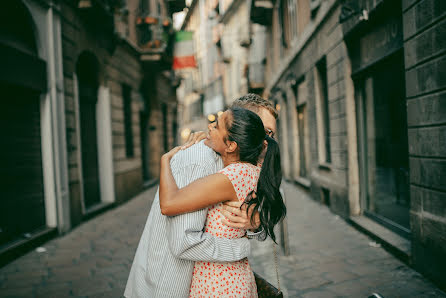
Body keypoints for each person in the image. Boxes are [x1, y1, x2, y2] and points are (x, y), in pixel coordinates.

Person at [124, 94, 278, 298]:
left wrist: (256, 220)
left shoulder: (248, 166)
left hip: (217, 282)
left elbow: (269, 202)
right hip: (168, 283)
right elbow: (183, 240)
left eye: (271, 134)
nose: (266, 141)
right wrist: (240, 246)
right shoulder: (202, 160)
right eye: (264, 131)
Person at [159, 107, 286, 296]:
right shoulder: (253, 169)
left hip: (219, 284)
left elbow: (168, 204)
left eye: (217, 126)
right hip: (234, 278)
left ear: (231, 146)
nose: (210, 126)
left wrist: (165, 160)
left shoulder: (231, 177)